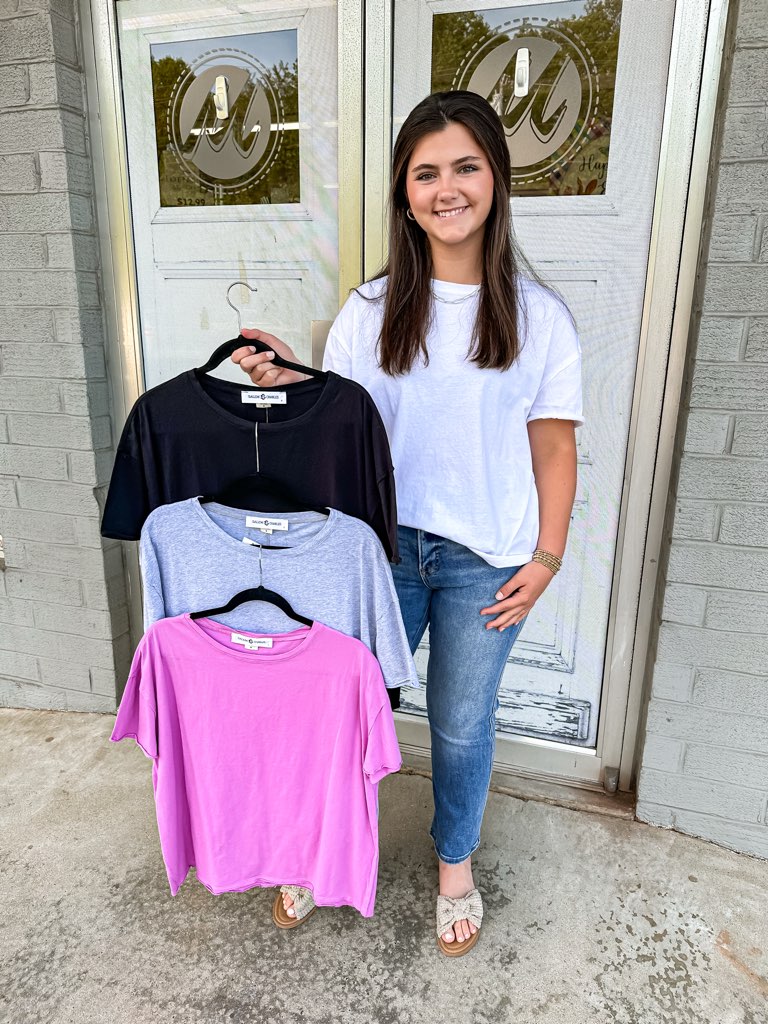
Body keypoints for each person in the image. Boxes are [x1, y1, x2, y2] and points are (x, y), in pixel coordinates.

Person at [231, 90, 582, 956]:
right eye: (426, 172)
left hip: (484, 563)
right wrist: (287, 383)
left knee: (462, 724)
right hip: (376, 556)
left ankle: (454, 863)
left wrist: (546, 558)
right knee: (345, 716)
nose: (447, 188)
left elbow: (554, 452)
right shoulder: (369, 309)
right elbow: (339, 425)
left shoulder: (541, 319)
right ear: (404, 192)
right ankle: (317, 844)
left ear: (496, 177)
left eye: (466, 166)